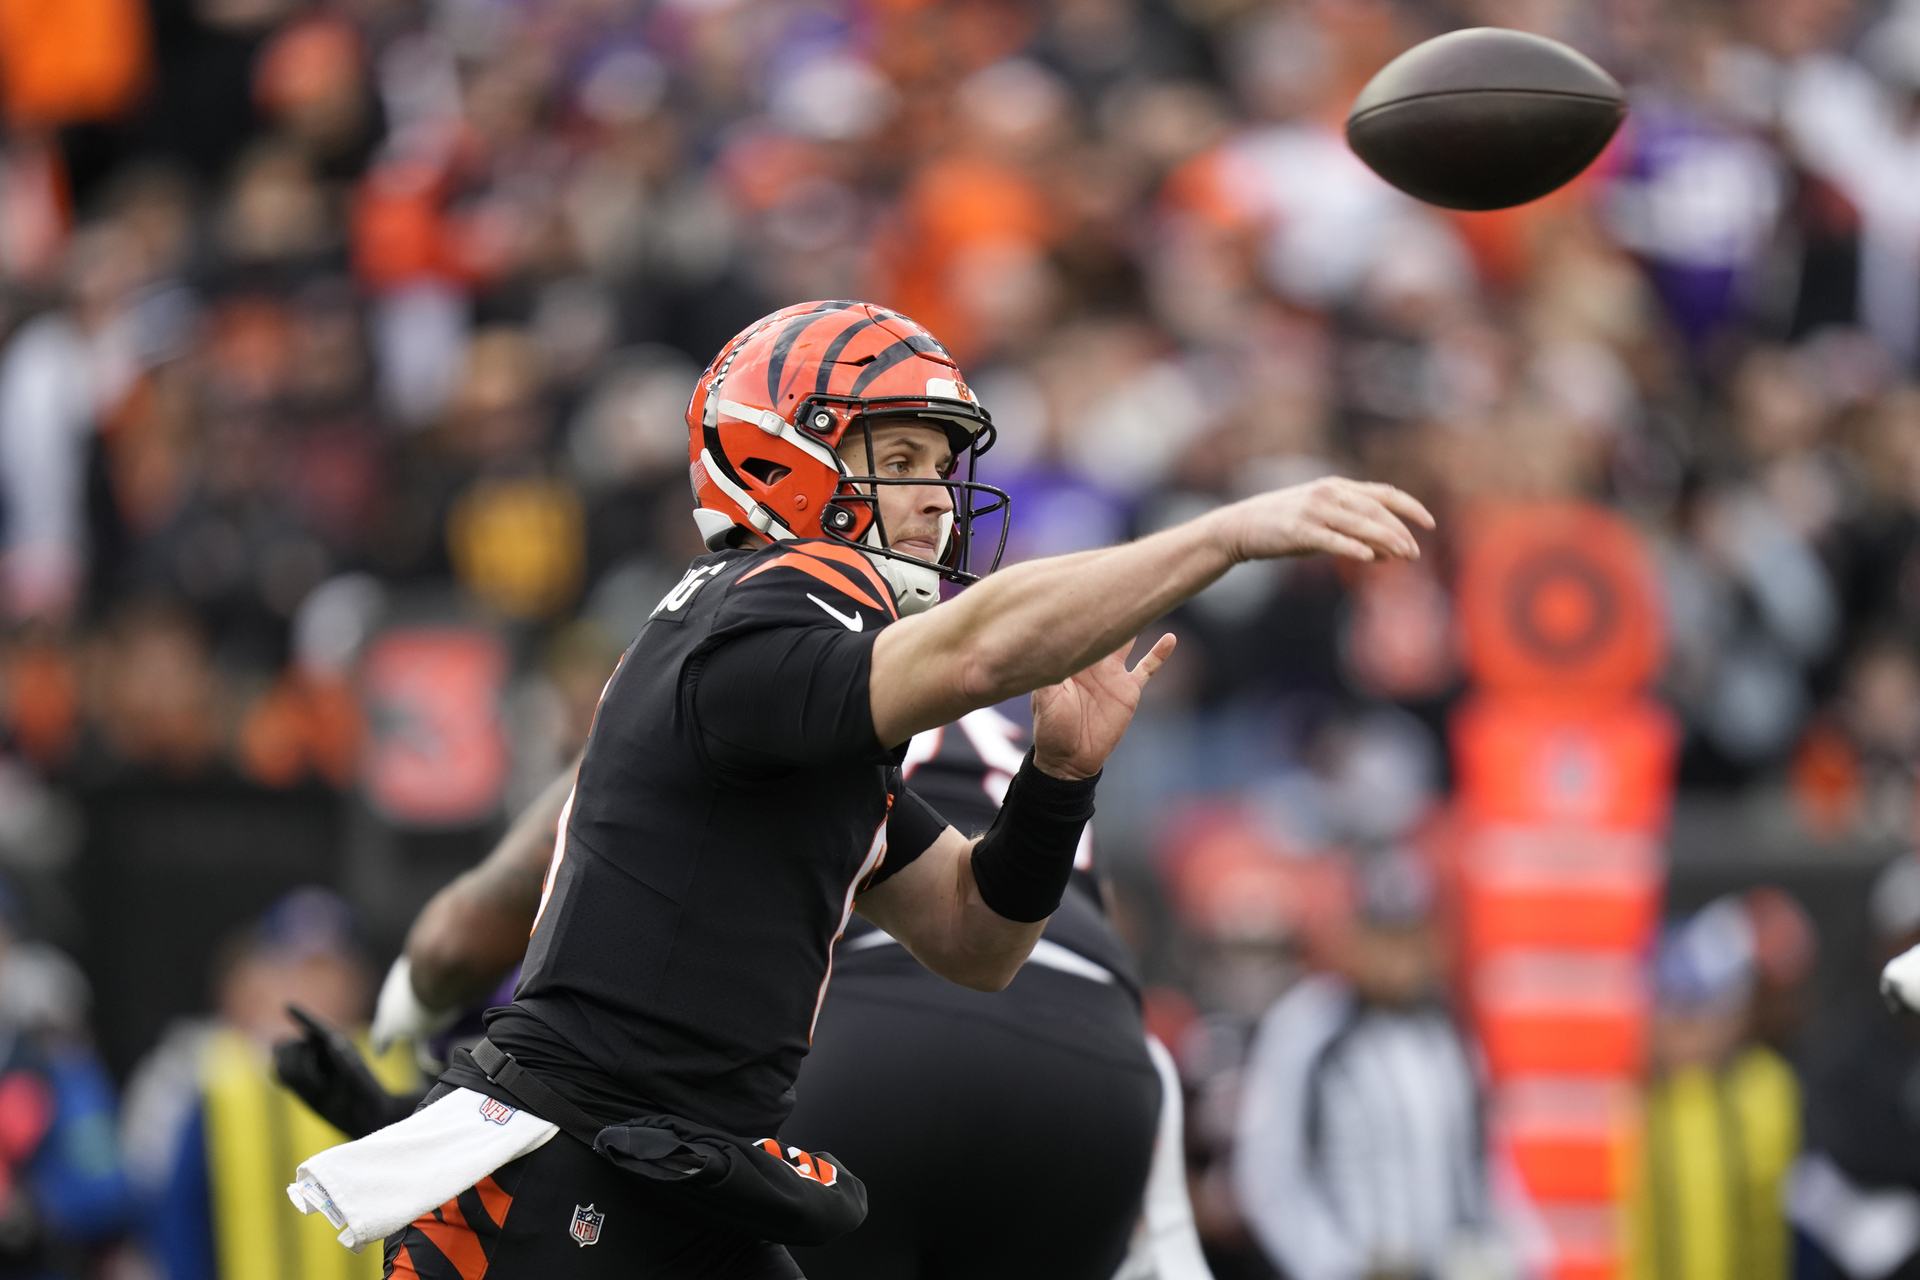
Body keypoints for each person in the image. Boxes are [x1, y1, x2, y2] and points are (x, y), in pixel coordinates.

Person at [294, 298, 1431, 1280]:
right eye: (902, 459)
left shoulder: (803, 701)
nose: (937, 499)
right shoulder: (754, 609)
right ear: (785, 454)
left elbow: (977, 939)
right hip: (572, 1168)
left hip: (684, 1175)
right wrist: (1224, 534)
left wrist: (1057, 778)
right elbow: (978, 653)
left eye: (944, 467)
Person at [1232, 851, 1509, 1280]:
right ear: (1350, 937)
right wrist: (1334, 1265)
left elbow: (1485, 1165)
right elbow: (1268, 1176)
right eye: (1381, 936)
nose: (1396, 957)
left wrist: (1502, 1253)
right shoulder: (1306, 1027)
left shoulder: (1450, 1032)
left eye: (1408, 936)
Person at [1628, 901, 1798, 1280]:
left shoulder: (1766, 1088)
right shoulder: (1621, 1095)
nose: (1682, 1032)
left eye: (1699, 1013)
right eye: (1669, 1009)